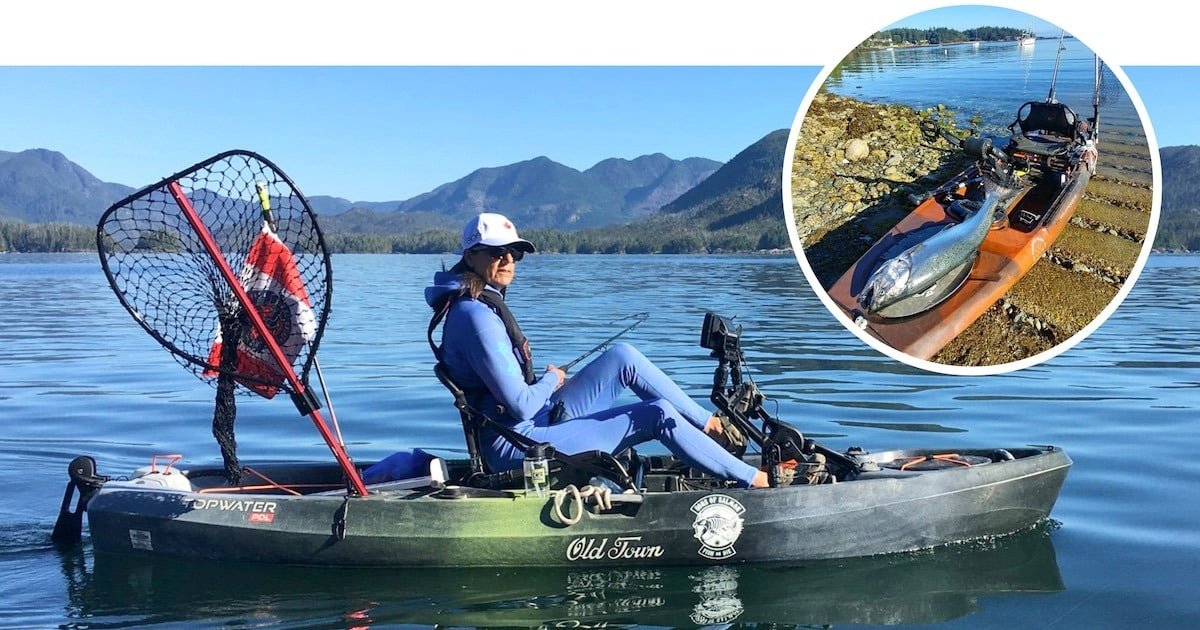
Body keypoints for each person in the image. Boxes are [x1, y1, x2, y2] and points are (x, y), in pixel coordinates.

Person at [425, 212, 769, 488]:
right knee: (655, 413)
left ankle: (711, 426)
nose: (508, 260)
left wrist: (549, 385)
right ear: (471, 255)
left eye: (513, 253)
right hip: (518, 444)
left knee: (623, 356)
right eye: (497, 252)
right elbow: (520, 403)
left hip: (534, 419)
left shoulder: (478, 305)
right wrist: (550, 379)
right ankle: (757, 481)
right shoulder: (476, 318)